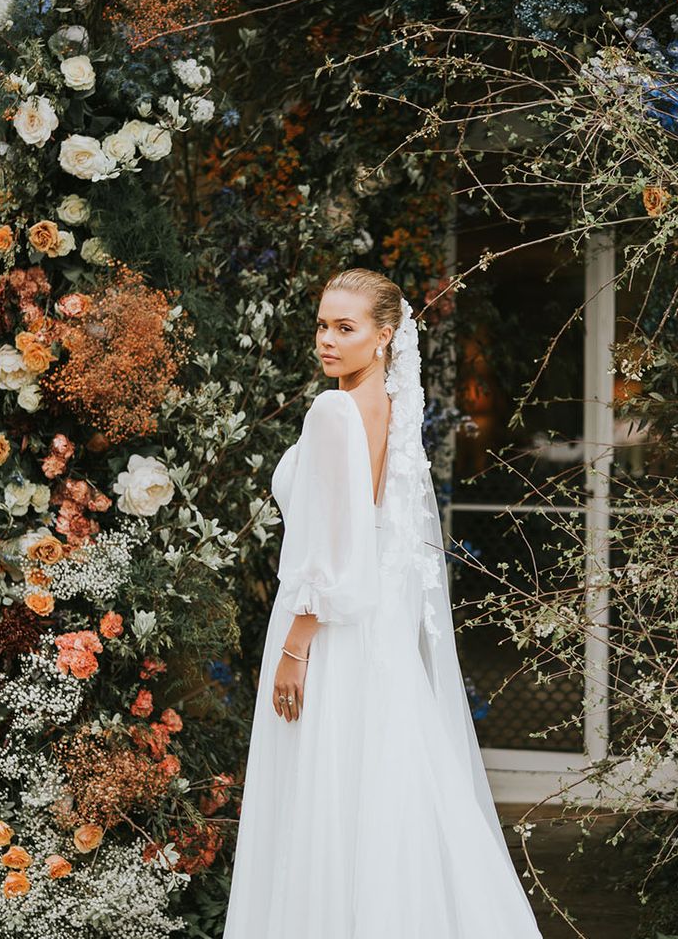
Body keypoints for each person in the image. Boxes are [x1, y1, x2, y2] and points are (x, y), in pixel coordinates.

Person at [221, 268, 544, 938]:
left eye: (346, 328)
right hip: (372, 633)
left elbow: (336, 546)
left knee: (323, 798)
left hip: (325, 633)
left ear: (384, 335)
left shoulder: (334, 412)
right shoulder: (389, 408)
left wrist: (294, 649)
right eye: (322, 325)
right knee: (381, 794)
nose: (327, 340)